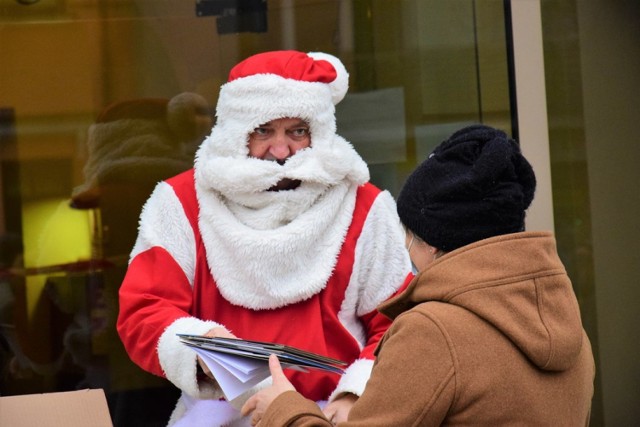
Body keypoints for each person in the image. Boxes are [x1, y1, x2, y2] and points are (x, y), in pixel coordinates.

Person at [116, 50, 412, 427]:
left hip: (334, 416)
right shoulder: (181, 203)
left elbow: (400, 321)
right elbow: (144, 309)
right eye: (263, 130)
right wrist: (202, 343)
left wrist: (357, 393)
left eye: (297, 131)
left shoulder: (365, 205)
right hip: (221, 415)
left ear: (318, 132)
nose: (281, 150)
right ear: (237, 132)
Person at [241, 124, 596, 426]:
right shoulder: (567, 323)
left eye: (407, 234)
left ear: (432, 242)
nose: (404, 247)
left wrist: (284, 410)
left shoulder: (433, 332)